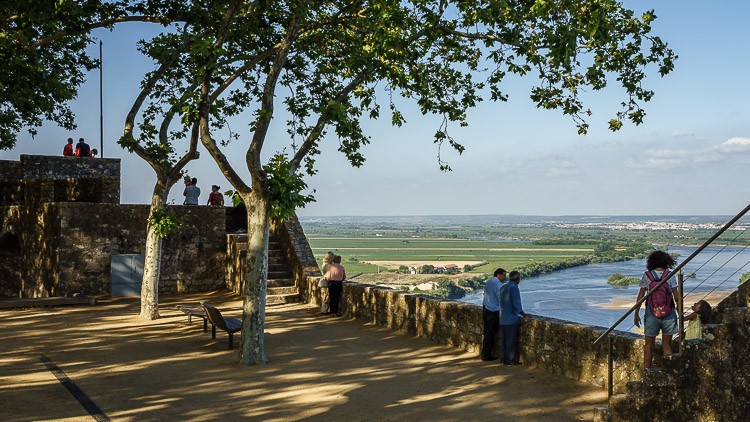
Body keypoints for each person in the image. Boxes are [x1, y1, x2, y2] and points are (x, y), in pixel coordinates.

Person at [634, 250, 679, 368]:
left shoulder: (647, 276)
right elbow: (676, 297)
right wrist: (680, 311)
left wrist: (636, 313)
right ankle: (669, 372)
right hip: (669, 313)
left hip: (651, 314)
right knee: (667, 345)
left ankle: (646, 372)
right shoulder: (670, 275)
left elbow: (641, 296)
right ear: (666, 262)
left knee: (649, 345)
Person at [499, 270, 531, 366]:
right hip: (511, 319)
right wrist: (525, 315)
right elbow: (516, 305)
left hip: (502, 318)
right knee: (511, 341)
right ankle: (510, 361)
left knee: (503, 340)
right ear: (518, 279)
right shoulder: (514, 288)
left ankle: (503, 359)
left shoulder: (503, 287)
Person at [481, 268, 507, 361]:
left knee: (487, 332)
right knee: (490, 334)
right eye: (504, 276)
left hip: (486, 309)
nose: (505, 278)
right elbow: (501, 300)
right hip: (494, 312)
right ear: (498, 275)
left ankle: (485, 353)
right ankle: (486, 355)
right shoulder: (499, 285)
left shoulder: (488, 282)